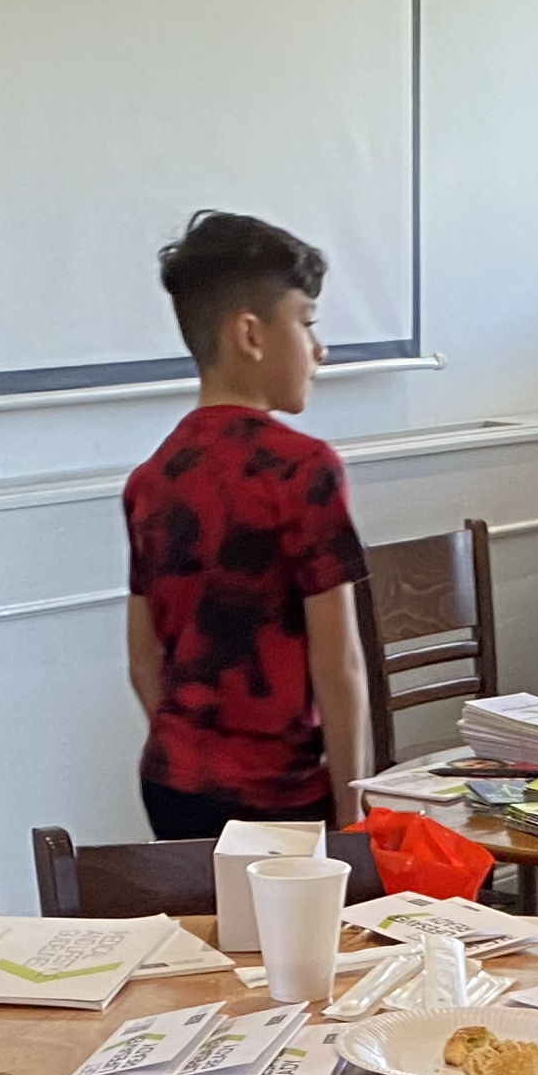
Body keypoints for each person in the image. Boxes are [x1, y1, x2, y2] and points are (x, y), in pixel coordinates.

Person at [121, 211, 371, 840]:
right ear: (250, 335)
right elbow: (336, 661)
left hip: (172, 784)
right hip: (279, 792)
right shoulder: (304, 470)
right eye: (307, 324)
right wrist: (351, 809)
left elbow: (143, 656)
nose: (320, 350)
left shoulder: (151, 479)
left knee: (207, 936)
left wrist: (196, 753)